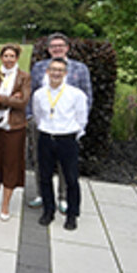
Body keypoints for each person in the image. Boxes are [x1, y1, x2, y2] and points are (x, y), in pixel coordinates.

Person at [27, 32, 93, 211]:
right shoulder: (39, 67)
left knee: (65, 165)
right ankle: (42, 194)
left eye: (60, 46)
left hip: (67, 126)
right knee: (40, 161)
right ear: (48, 49)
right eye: (53, 46)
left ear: (67, 48)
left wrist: (79, 126)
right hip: (42, 124)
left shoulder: (80, 68)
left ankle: (63, 197)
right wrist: (30, 118)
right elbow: (32, 93)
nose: (57, 49)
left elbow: (87, 97)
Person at [32, 58, 88, 230]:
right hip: (46, 138)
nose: (56, 73)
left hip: (67, 140)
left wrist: (71, 135)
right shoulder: (39, 94)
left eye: (60, 70)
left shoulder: (76, 94)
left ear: (65, 73)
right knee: (45, 177)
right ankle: (48, 211)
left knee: (71, 178)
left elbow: (81, 119)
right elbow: (38, 116)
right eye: (53, 69)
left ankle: (72, 215)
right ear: (47, 72)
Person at [0, 44, 31, 220]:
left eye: (12, 56)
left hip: (14, 127)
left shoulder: (24, 77)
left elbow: (23, 102)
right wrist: (11, 98)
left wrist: (1, 98)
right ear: (1, 57)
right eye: (6, 56)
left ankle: (5, 204)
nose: (9, 59)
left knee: (11, 165)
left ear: (17, 58)